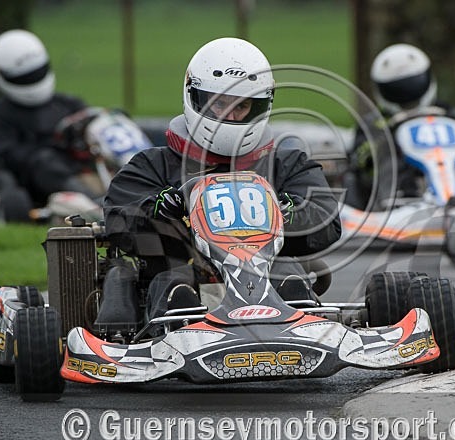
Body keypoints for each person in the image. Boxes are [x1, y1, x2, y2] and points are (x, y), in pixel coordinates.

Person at [95, 37, 341, 328]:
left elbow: (326, 219)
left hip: (269, 275)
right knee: (176, 281)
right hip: (184, 276)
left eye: (242, 107)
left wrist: (283, 212)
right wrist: (163, 213)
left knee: (288, 273)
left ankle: (299, 325)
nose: (230, 116)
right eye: (219, 105)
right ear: (194, 98)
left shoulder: (286, 165)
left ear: (261, 107)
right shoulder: (152, 165)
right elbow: (119, 219)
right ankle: (178, 329)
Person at [346, 43, 455, 210]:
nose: (406, 92)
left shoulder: (446, 112)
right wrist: (389, 138)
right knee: (391, 163)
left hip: (447, 170)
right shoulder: (374, 123)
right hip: (395, 189)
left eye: (412, 83)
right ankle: (395, 208)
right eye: (398, 88)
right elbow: (359, 160)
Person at [0, 29, 101, 207]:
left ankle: (143, 192)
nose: (32, 79)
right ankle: (99, 204)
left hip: (79, 169)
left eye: (36, 72)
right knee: (45, 160)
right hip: (38, 183)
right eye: (24, 76)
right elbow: (10, 156)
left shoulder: (68, 104)